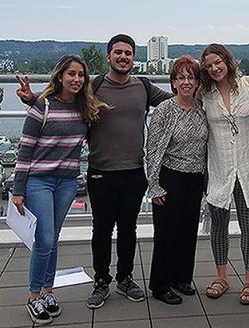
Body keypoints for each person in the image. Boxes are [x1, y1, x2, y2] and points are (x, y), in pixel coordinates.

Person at [16, 34, 173, 310]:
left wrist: (203, 89)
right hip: (101, 173)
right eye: (118, 52)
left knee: (128, 230)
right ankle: (101, 281)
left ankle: (125, 278)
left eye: (128, 53)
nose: (123, 57)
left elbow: (177, 100)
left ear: (134, 57)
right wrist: (32, 100)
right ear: (108, 56)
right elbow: (61, 101)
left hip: (135, 171)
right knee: (101, 231)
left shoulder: (144, 87)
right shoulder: (93, 86)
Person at [13, 55, 105, 325]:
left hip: (66, 182)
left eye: (81, 75)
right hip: (38, 181)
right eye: (71, 74)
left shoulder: (84, 108)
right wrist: (19, 190)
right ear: (60, 77)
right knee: (44, 241)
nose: (76, 79)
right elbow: (25, 150)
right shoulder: (42, 107)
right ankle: (33, 297)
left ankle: (48, 291)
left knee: (53, 238)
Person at [199, 43, 249, 304]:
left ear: (227, 60)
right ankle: (222, 277)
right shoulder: (204, 93)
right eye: (208, 65)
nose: (214, 68)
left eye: (218, 62)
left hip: (247, 167)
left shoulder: (248, 84)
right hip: (219, 167)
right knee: (219, 227)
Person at [146, 55, 207, 305]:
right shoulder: (165, 110)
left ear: (197, 82)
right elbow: (152, 150)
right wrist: (154, 185)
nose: (186, 82)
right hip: (170, 177)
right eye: (180, 77)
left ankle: (182, 277)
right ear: (173, 83)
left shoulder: (202, 109)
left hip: (195, 178)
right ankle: (160, 285)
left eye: (191, 77)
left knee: (188, 231)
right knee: (167, 233)